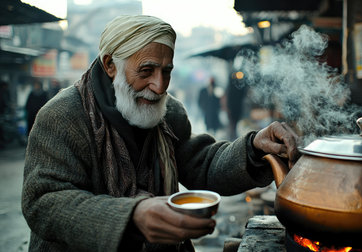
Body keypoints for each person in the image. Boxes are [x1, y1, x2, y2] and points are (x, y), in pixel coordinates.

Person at [21, 15, 300, 252]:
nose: (159, 86)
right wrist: (131, 216)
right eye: (146, 70)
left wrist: (253, 147)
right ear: (110, 65)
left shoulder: (168, 113)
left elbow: (200, 164)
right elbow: (43, 202)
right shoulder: (63, 116)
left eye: (166, 71)